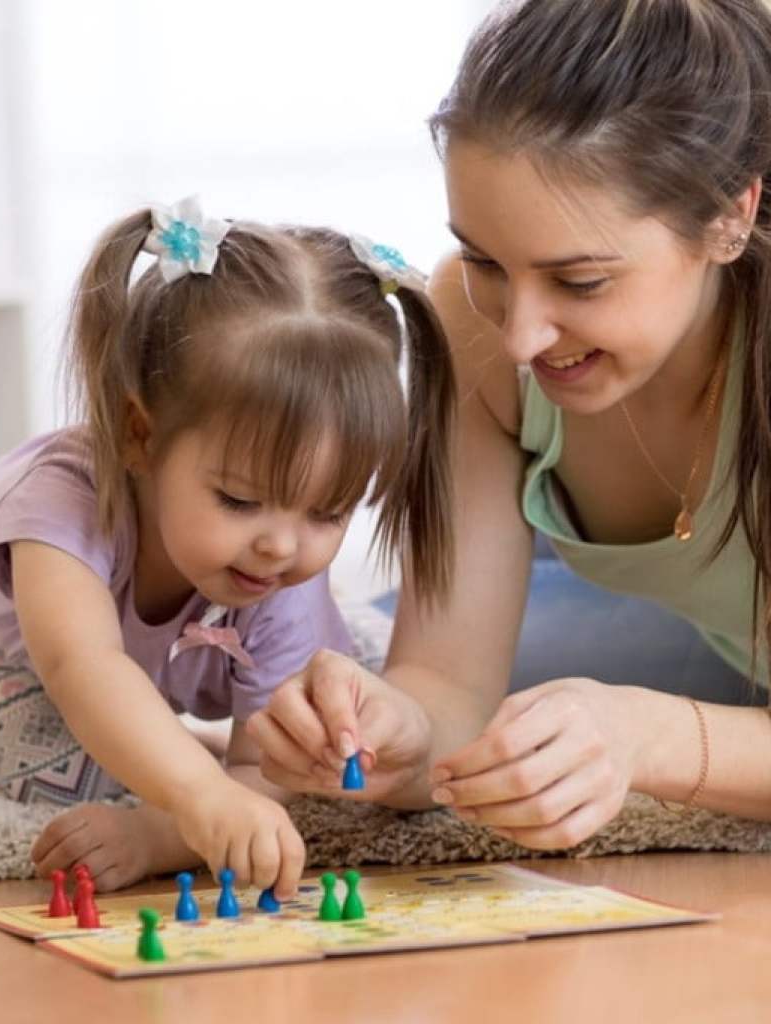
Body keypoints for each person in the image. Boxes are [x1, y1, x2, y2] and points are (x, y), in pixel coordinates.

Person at [248, 0, 771, 850]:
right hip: (711, 639)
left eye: (583, 282)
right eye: (487, 260)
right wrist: (397, 732)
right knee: (369, 673)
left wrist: (648, 736)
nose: (521, 338)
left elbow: (633, 734)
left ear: (729, 217)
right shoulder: (472, 319)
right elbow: (448, 686)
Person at [0, 197, 455, 896]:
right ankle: (172, 745)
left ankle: (189, 731)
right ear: (141, 435)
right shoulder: (54, 507)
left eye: (328, 511)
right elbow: (82, 666)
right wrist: (196, 795)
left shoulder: (277, 568)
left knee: (332, 720)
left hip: (203, 625)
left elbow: (262, 773)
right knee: (62, 785)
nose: (282, 545)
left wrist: (167, 833)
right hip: (6, 614)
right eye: (240, 499)